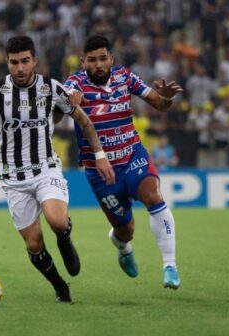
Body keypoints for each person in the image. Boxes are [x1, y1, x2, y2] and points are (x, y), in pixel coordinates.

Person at [0, 36, 115, 303]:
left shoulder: (51, 88)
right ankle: (60, 287)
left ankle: (65, 239)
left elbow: (84, 121)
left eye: (25, 61)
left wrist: (99, 155)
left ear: (35, 61)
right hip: (13, 178)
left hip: (45, 169)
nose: (20, 68)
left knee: (57, 221)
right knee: (34, 244)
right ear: (7, 62)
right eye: (14, 62)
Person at [63, 35, 183, 289]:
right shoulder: (74, 82)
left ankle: (170, 265)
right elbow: (65, 98)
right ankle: (122, 246)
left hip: (132, 155)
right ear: (83, 62)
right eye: (92, 60)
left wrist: (167, 98)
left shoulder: (125, 77)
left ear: (111, 59)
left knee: (153, 196)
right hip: (101, 171)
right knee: (125, 229)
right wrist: (69, 99)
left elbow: (159, 105)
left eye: (103, 59)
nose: (98, 65)